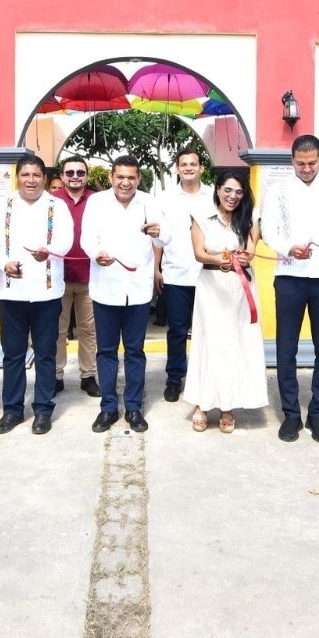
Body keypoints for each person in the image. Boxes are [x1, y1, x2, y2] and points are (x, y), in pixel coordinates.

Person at [261, 135, 319, 443]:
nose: (306, 169)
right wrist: (289, 247)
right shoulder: (277, 190)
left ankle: (317, 412)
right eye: (300, 164)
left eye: (312, 163)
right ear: (292, 161)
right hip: (289, 274)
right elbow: (268, 230)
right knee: (286, 346)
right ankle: (290, 413)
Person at [80, 155, 169, 433]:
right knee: (106, 351)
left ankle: (133, 407)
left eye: (131, 177)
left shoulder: (149, 202)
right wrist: (97, 254)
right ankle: (108, 407)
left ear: (138, 179)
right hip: (106, 287)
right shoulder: (97, 202)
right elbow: (86, 237)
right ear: (111, 177)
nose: (125, 182)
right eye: (120, 177)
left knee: (135, 351)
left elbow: (166, 237)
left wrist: (159, 232)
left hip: (138, 291)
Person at [0, 153, 74, 435]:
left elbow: (66, 240)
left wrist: (47, 252)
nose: (31, 180)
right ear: (17, 177)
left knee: (46, 352)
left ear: (45, 178)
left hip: (47, 293)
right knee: (13, 354)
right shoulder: (2, 206)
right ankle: (12, 410)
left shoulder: (56, 206)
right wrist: (4, 264)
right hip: (11, 293)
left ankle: (43, 409)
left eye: (37, 175)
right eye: (25, 175)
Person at [186, 169, 269, 432]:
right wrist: (219, 259)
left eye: (239, 192)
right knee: (209, 343)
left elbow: (251, 248)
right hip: (211, 288)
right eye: (228, 190)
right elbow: (199, 253)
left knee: (236, 344)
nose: (232, 196)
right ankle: (201, 404)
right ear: (218, 189)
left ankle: (228, 407)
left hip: (242, 288)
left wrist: (246, 256)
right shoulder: (201, 217)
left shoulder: (248, 216)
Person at [153, 146, 212, 404]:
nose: (188, 168)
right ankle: (174, 379)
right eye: (183, 164)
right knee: (176, 330)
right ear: (177, 168)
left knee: (207, 330)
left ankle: (206, 379)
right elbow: (159, 238)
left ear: (201, 168)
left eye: (193, 164)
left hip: (209, 273)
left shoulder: (214, 196)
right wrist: (156, 268)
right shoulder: (165, 198)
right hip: (176, 274)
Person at [54, 156, 99, 396]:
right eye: (69, 172)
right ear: (62, 176)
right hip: (57, 277)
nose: (75, 177)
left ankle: (88, 375)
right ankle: (56, 375)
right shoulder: (51, 200)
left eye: (80, 173)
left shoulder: (97, 201)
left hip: (91, 276)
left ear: (87, 176)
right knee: (57, 331)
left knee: (88, 330)